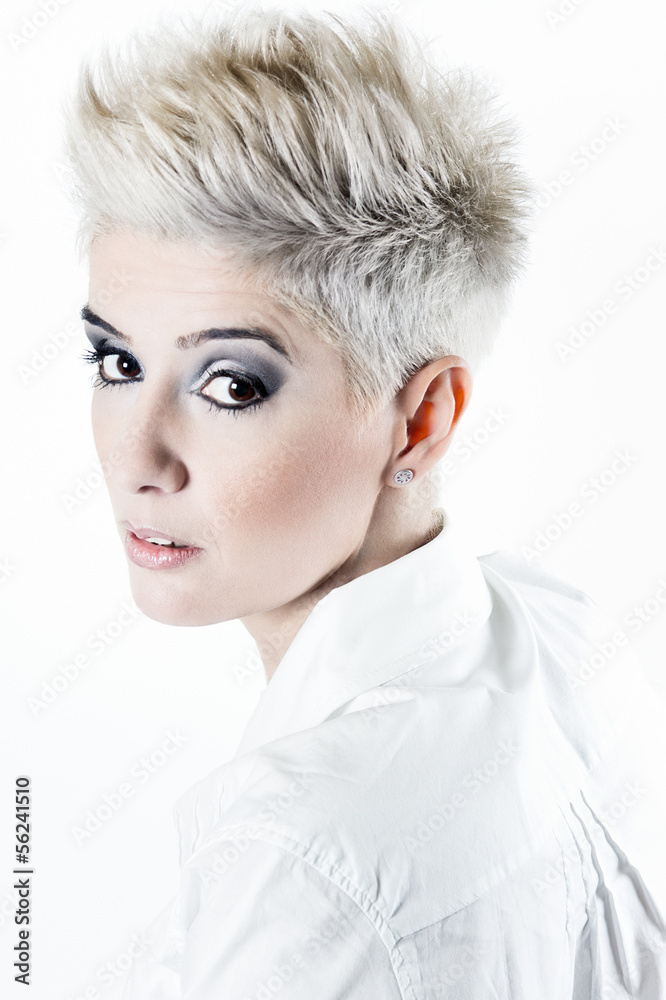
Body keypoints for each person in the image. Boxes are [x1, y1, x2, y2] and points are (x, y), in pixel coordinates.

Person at [61, 6, 666, 998]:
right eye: (117, 363)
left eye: (230, 384)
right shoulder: (558, 626)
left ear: (421, 421)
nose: (137, 458)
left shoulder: (300, 865)